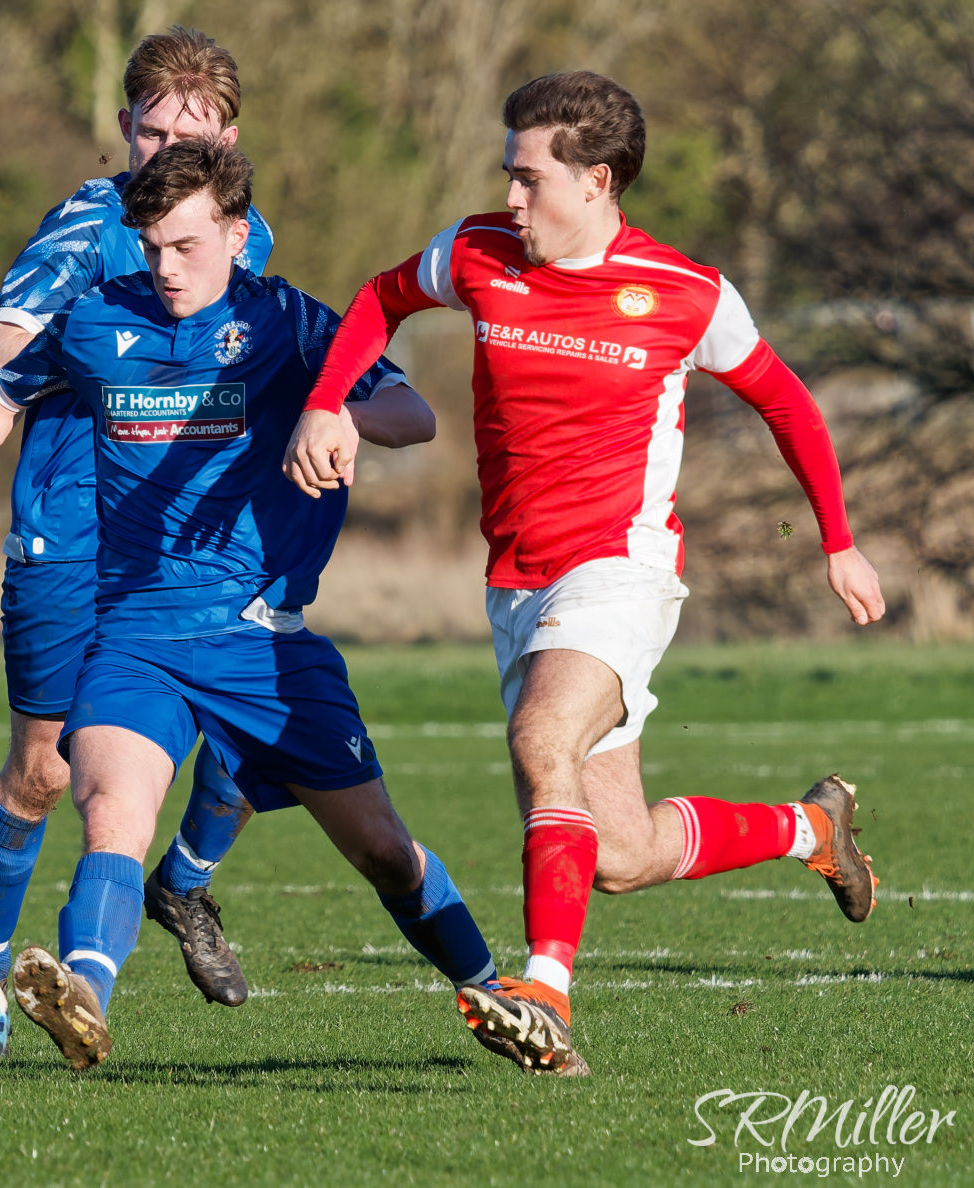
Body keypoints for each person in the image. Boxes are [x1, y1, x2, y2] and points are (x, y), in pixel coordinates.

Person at [282, 71, 887, 1075]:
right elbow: (381, 299)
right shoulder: (476, 252)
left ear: (596, 181)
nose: (509, 197)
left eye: (529, 178)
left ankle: (545, 994)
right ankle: (808, 828)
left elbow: (785, 403)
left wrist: (838, 540)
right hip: (515, 583)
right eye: (507, 174)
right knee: (619, 854)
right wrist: (325, 402)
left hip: (619, 568)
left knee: (540, 736)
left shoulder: (685, 293)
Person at [0, 139, 511, 1072]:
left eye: (186, 245)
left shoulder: (287, 320)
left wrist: (335, 414)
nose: (167, 267)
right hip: (134, 634)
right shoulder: (96, 319)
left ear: (237, 233)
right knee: (112, 812)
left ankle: (501, 996)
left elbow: (414, 417)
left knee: (382, 849)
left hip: (264, 644)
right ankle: (83, 996)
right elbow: (3, 393)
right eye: (152, 247)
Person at [0, 27, 274, 1006]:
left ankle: (183, 882)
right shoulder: (88, 225)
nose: (169, 150)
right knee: (44, 774)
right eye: (153, 133)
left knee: (258, 733)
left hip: (197, 540)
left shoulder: (245, 233)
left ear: (229, 143)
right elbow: (2, 348)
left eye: (194, 137)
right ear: (125, 127)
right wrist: (103, 345)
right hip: (73, 532)